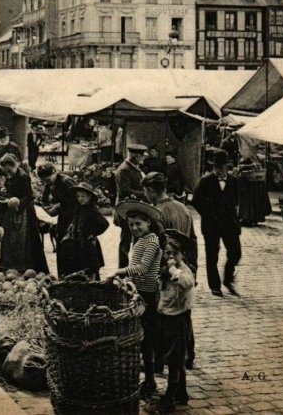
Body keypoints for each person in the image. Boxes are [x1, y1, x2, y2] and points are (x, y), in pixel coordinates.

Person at [106, 200, 164, 401]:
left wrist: (119, 272)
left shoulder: (152, 241)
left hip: (148, 296)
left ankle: (150, 380)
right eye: (131, 224)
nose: (135, 228)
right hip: (138, 293)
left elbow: (143, 268)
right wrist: (126, 282)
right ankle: (145, 378)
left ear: (148, 223)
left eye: (139, 223)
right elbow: (135, 269)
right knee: (139, 337)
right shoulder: (140, 241)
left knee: (147, 339)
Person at [142, 171, 198, 369]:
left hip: (166, 270)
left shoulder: (156, 212)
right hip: (184, 267)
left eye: (145, 191)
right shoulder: (183, 208)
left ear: (151, 191)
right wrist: (192, 270)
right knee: (184, 314)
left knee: (162, 316)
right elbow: (193, 241)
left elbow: (157, 248)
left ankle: (160, 360)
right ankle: (188, 356)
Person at [191, 149, 242, 297]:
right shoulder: (205, 181)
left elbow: (236, 200)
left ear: (227, 166)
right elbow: (195, 201)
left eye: (222, 166)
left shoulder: (234, 181)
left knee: (235, 253)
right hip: (211, 224)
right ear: (213, 167)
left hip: (229, 224)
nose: (219, 170)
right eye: (216, 167)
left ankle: (228, 279)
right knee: (212, 255)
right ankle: (215, 285)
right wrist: (208, 214)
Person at [155, 232, 196, 413]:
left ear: (182, 254)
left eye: (174, 253)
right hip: (166, 317)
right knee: (175, 358)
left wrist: (172, 269)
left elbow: (186, 283)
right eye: (167, 253)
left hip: (178, 319)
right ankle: (181, 392)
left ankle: (170, 397)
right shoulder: (165, 272)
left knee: (175, 359)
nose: (170, 257)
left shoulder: (184, 271)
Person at [0, 154, 49, 275]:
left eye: (10, 169)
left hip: (24, 211)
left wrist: (18, 203)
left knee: (23, 238)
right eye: (5, 170)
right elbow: (7, 189)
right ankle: (8, 265)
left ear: (14, 166)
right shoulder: (7, 175)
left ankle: (25, 265)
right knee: (9, 237)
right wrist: (3, 191)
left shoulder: (24, 177)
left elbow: (30, 196)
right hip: (11, 210)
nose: (8, 172)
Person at [57, 182, 109, 279]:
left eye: (83, 196)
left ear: (89, 197)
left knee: (91, 266)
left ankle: (94, 284)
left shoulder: (92, 210)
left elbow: (105, 224)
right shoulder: (79, 208)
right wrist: (72, 224)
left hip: (88, 243)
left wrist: (93, 233)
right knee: (80, 264)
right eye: (78, 196)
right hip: (79, 241)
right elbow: (76, 218)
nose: (80, 199)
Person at [114, 144, 147, 268]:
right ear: (136, 156)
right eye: (141, 156)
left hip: (133, 208)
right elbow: (124, 190)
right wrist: (144, 194)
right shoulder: (124, 169)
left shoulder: (133, 167)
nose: (143, 158)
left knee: (136, 239)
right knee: (126, 241)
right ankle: (123, 269)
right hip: (126, 210)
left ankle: (135, 267)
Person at [37, 163, 78, 250]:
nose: (47, 182)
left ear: (54, 172)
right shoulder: (49, 183)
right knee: (61, 241)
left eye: (48, 179)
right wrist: (46, 208)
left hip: (73, 215)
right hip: (62, 215)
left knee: (70, 242)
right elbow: (44, 198)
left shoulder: (66, 182)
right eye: (44, 181)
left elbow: (77, 201)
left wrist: (58, 206)